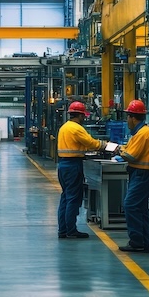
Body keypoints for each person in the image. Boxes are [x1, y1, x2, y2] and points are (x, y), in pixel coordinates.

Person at [56, 101, 107, 239]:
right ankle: (71, 230)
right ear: (79, 115)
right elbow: (90, 143)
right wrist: (105, 145)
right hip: (73, 165)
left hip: (63, 165)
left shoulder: (64, 127)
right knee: (73, 198)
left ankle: (63, 230)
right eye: (83, 115)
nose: (84, 118)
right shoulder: (76, 128)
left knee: (65, 197)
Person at [115, 99, 149, 253]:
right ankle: (145, 243)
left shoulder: (143, 133)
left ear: (133, 117)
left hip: (142, 174)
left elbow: (131, 155)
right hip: (139, 173)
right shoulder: (139, 133)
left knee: (130, 205)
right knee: (140, 208)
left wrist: (119, 151)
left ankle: (137, 242)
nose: (127, 120)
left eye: (128, 116)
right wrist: (121, 148)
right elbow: (130, 148)